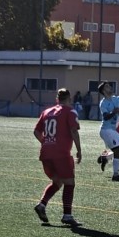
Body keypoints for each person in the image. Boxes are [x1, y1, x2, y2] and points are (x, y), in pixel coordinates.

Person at [33, 88, 83, 227]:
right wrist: (79, 150)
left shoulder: (46, 112)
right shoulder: (70, 111)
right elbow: (73, 130)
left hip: (45, 154)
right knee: (69, 183)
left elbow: (36, 132)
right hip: (61, 154)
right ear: (69, 98)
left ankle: (42, 205)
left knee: (57, 182)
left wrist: (46, 142)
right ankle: (67, 215)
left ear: (57, 99)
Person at [96, 81, 119, 182]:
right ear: (103, 91)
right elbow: (106, 117)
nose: (110, 87)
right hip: (105, 130)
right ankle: (115, 175)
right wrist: (114, 112)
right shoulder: (103, 103)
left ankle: (106, 158)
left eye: (109, 86)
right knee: (117, 150)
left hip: (112, 130)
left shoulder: (115, 99)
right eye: (107, 87)